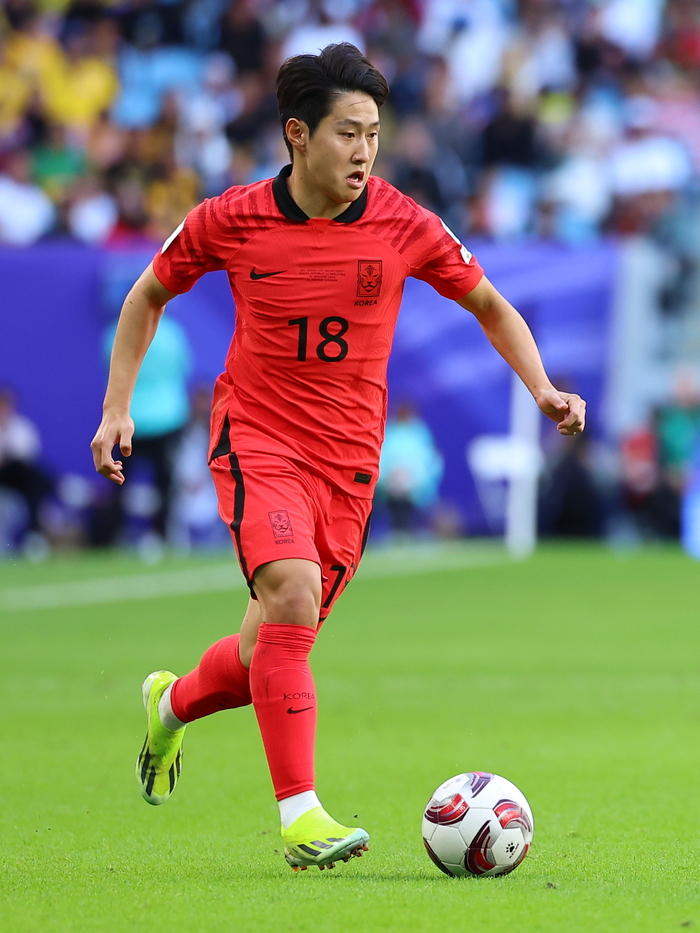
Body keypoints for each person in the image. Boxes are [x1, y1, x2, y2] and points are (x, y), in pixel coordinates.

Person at [90, 43, 585, 873]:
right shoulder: (231, 218)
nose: (364, 152)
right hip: (257, 438)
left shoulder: (403, 223)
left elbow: (490, 304)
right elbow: (148, 294)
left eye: (374, 134)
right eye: (348, 133)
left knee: (266, 654)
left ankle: (169, 704)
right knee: (292, 592)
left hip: (349, 465)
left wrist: (542, 387)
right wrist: (117, 407)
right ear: (298, 134)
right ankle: (301, 815)